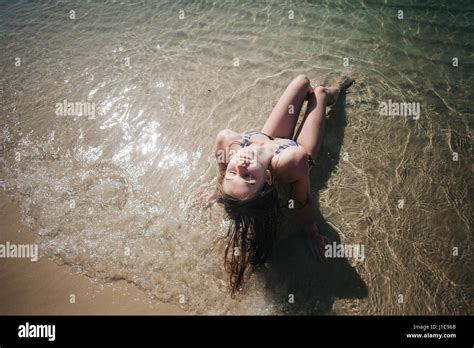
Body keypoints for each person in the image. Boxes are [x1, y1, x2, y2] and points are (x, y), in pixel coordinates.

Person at [196, 74, 354, 295]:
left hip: (266, 138)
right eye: (248, 177)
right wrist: (312, 232)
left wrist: (216, 194)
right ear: (268, 179)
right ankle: (335, 92)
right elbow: (304, 200)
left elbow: (223, 171)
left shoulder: (228, 142)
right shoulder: (291, 163)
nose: (240, 166)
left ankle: (313, 92)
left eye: (234, 173)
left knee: (302, 81)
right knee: (319, 94)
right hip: (292, 149)